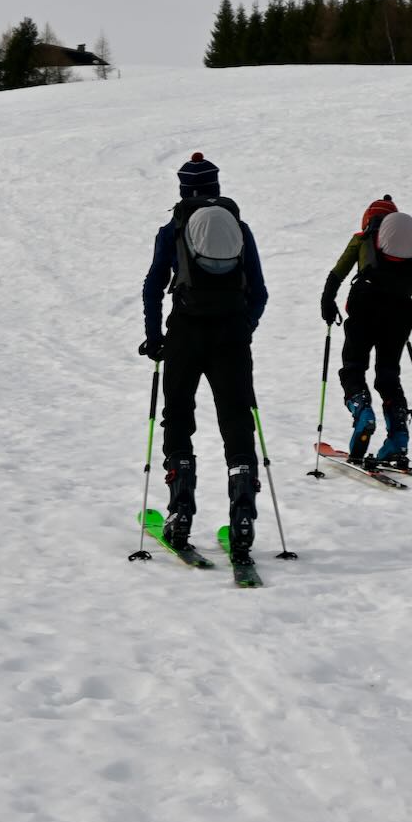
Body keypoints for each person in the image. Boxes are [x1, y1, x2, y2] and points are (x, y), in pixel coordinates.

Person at [140, 153, 268, 561]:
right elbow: (260, 292)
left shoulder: (173, 229)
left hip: (185, 333)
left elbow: (152, 286)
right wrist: (243, 327)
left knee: (178, 416)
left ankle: (180, 509)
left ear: (183, 189)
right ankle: (244, 509)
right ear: (216, 187)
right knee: (235, 418)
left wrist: (155, 337)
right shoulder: (239, 228)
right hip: (231, 334)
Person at [320, 195, 412, 465]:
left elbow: (337, 273)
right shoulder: (409, 251)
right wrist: (409, 316)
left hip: (364, 309)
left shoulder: (362, 239)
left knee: (353, 367)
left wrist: (327, 301)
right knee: (388, 376)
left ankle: (362, 413)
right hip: (399, 316)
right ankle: (398, 437)